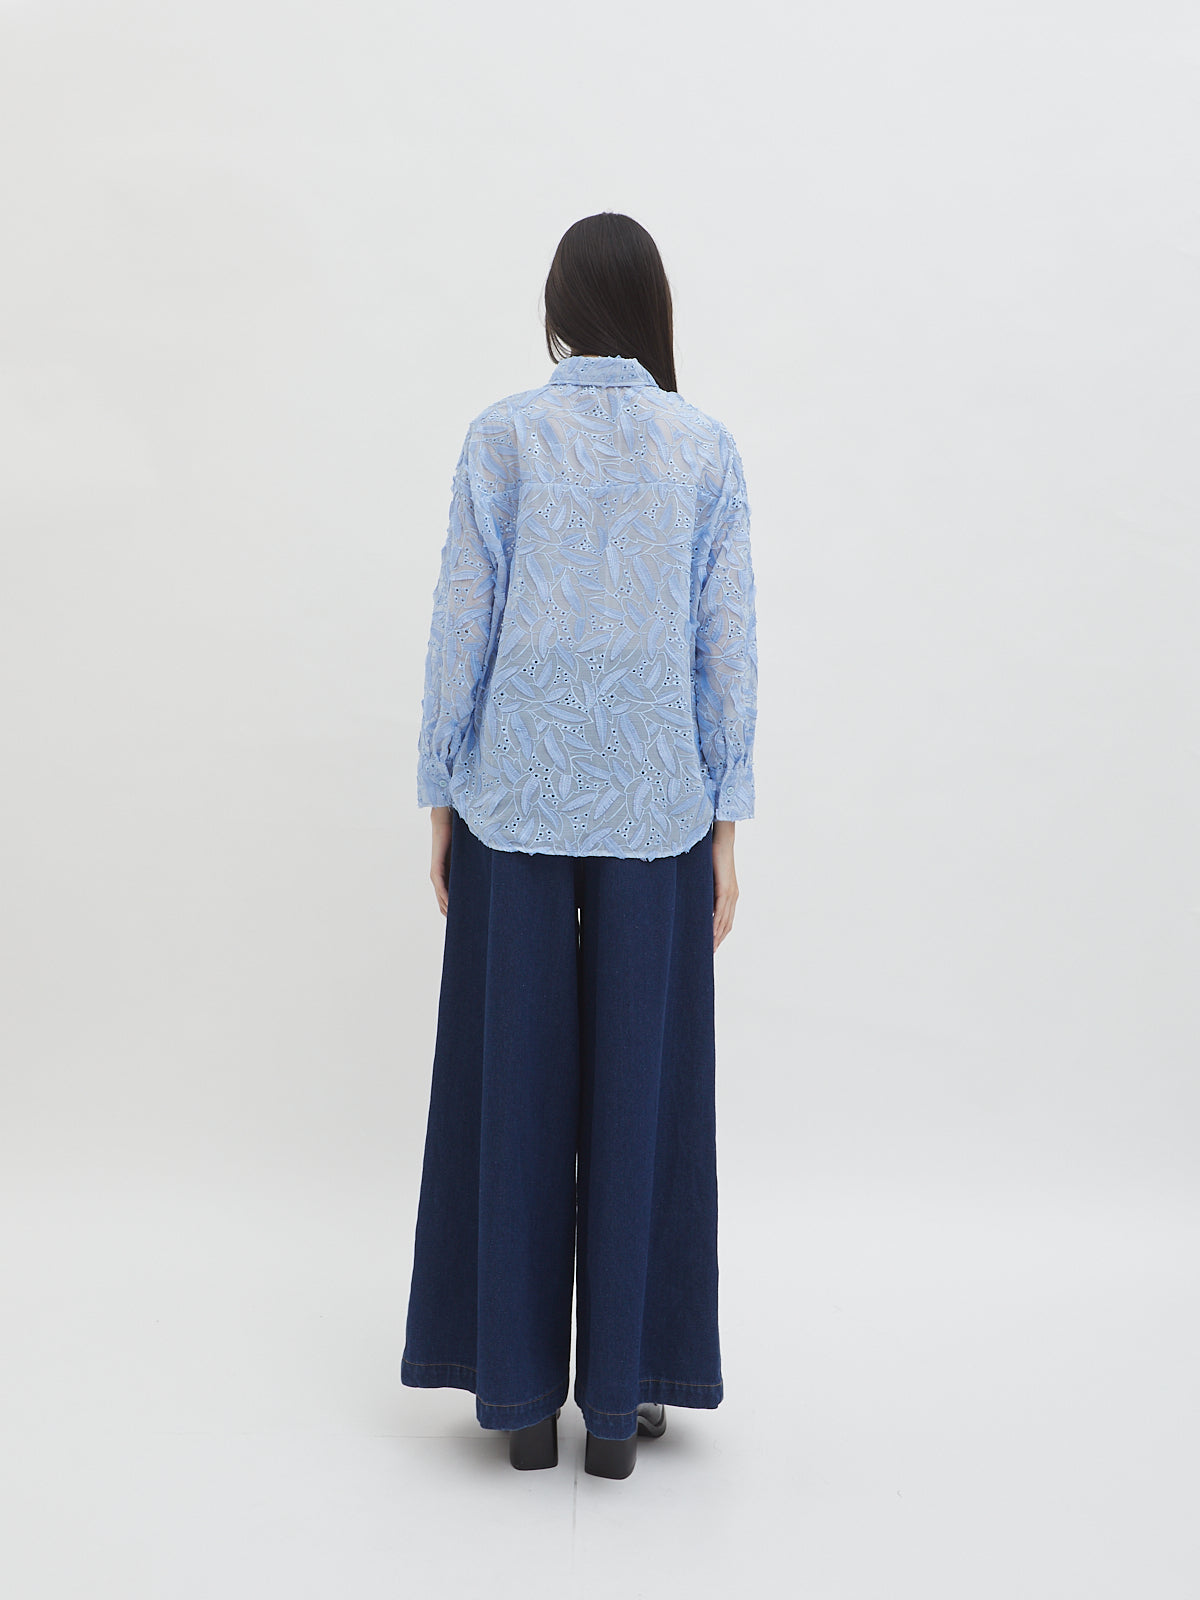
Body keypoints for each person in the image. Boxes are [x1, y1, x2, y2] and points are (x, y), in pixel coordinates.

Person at [399, 211, 758, 1481]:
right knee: (644, 1093)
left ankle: (515, 1396)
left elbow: (462, 620)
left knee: (511, 1085)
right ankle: (623, 1400)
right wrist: (725, 826)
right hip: (659, 809)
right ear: (654, 312)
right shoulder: (704, 448)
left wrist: (441, 795)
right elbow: (725, 648)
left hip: (515, 803)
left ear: (555, 313)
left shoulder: (501, 437)